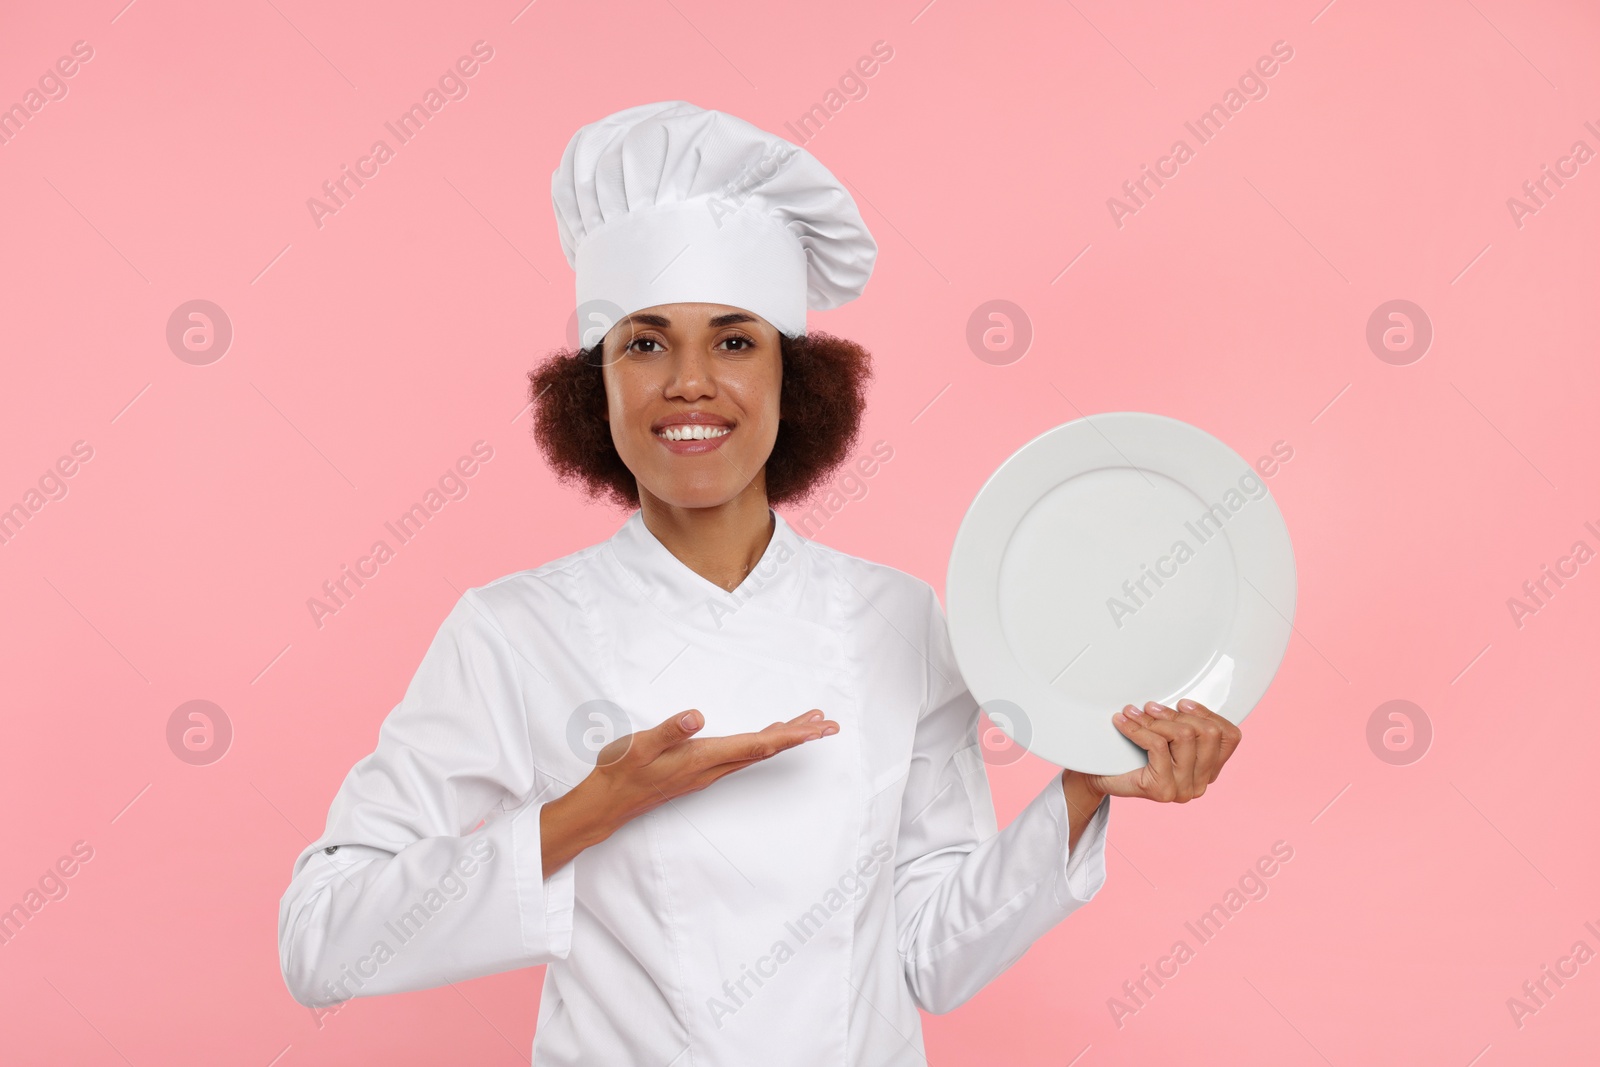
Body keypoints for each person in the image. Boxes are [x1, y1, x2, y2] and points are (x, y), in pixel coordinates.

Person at [277, 100, 1241, 1065]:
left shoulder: (898, 617)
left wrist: (1078, 791)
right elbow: (319, 943)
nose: (690, 382)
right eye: (644, 343)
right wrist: (587, 813)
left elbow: (934, 956)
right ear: (594, 385)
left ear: (796, 378)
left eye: (735, 341)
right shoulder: (512, 631)